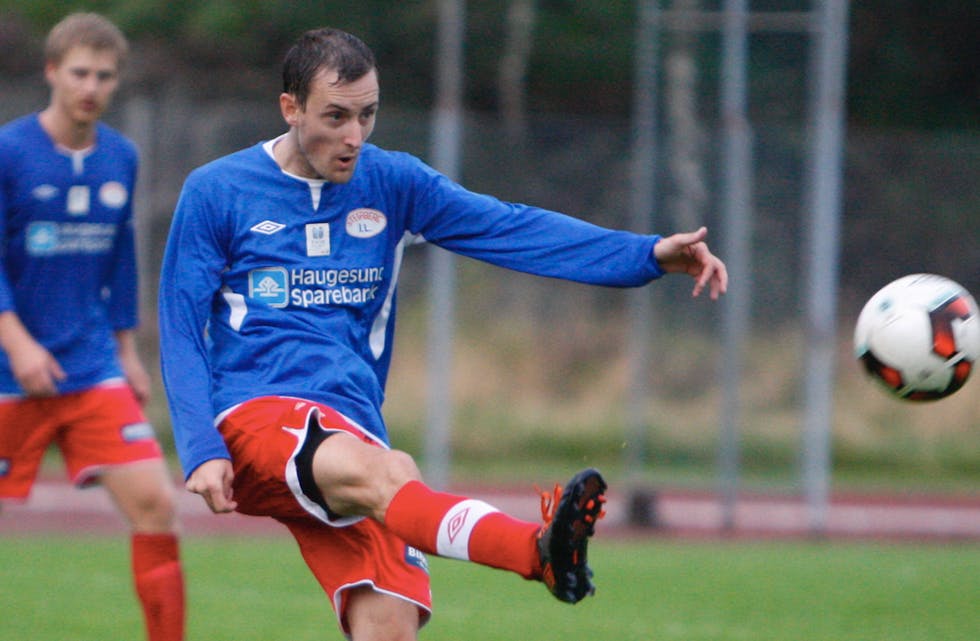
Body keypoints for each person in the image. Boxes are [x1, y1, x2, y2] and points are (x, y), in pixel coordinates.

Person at [159, 26, 727, 641]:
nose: (354, 137)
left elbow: (510, 228)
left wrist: (646, 255)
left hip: (354, 427)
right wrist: (201, 447)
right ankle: (537, 553)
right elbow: (180, 327)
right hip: (257, 415)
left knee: (390, 625)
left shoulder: (394, 183)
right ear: (290, 108)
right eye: (336, 116)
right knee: (391, 474)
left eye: (368, 115)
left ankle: (533, 555)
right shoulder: (217, 191)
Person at [0, 13, 185, 641]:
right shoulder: (9, 151)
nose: (91, 87)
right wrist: (17, 343)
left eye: (104, 76)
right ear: (52, 71)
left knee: (156, 503)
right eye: (80, 73)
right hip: (10, 369)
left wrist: (125, 351)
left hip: (89, 365)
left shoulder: (120, 156)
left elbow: (118, 259)